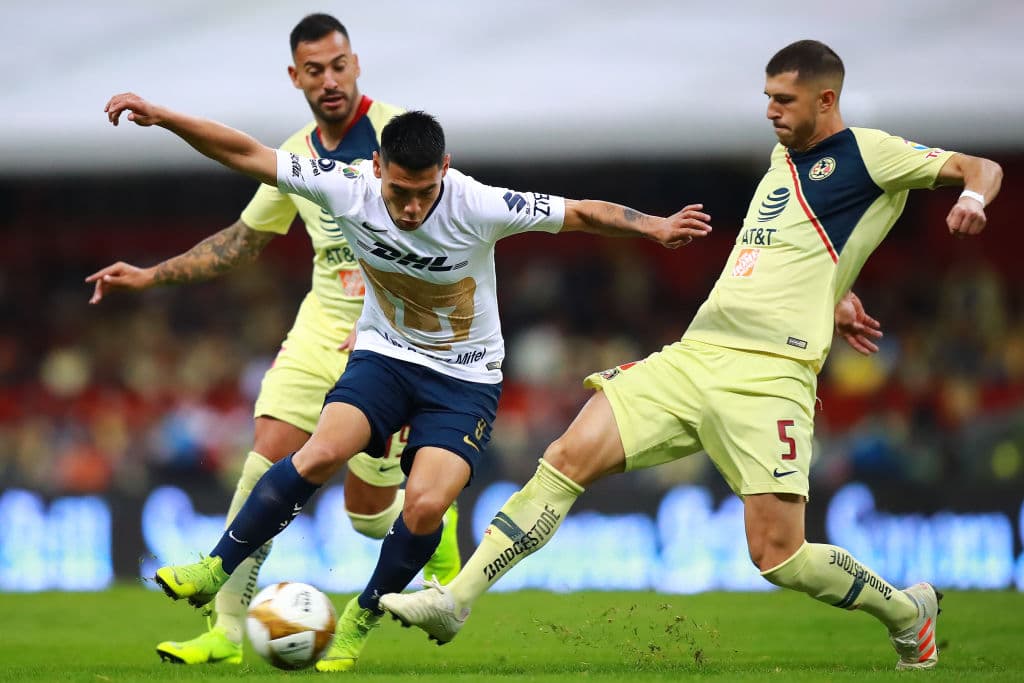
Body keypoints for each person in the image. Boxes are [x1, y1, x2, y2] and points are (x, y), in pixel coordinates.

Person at [378, 39, 1003, 672]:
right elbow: (796, 250)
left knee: (779, 556)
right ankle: (457, 600)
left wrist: (972, 200)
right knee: (565, 457)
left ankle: (906, 612)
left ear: (827, 99)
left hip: (771, 376)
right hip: (697, 353)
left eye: (784, 101)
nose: (771, 112)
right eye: (767, 99)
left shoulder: (872, 153)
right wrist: (833, 296)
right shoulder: (783, 158)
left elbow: (982, 167)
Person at [102, 89, 716, 672]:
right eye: (400, 191)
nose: (413, 207)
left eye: (425, 192)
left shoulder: (478, 203)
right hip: (385, 357)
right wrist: (163, 117)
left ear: (445, 169)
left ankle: (358, 624)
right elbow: (245, 152)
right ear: (377, 168)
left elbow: (580, 212)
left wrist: (653, 226)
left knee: (424, 506)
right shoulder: (345, 189)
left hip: (464, 380)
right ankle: (214, 567)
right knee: (319, 451)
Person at [85, 14, 460, 666]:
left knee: (369, 515)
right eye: (315, 70)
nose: (330, 79)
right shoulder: (297, 153)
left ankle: (435, 520)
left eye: (339, 64)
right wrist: (150, 276)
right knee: (267, 453)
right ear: (297, 77)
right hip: (320, 327)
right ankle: (227, 629)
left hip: (391, 332)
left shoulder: (399, 134)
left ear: (356, 64)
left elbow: (447, 235)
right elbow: (242, 241)